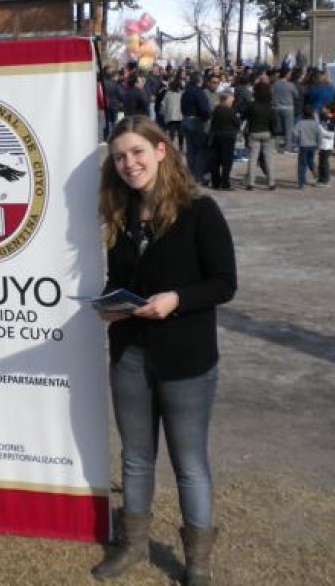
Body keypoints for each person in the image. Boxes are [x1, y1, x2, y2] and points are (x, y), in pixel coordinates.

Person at [92, 116, 236, 584]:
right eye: (119, 157)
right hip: (131, 353)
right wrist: (111, 304)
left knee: (189, 463)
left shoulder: (200, 210)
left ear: (161, 151)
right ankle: (132, 545)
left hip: (186, 358)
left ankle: (197, 564)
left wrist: (177, 299)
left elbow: (224, 283)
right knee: (135, 457)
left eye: (137, 152)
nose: (129, 164)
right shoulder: (121, 211)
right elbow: (121, 280)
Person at [242, 82, 276, 190]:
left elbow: (244, 116)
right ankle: (271, 182)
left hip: (254, 132)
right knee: (268, 158)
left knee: (252, 158)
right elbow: (273, 121)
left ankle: (251, 182)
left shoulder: (251, 105)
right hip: (267, 132)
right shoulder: (270, 106)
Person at [209, 88, 240, 190]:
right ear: (226, 99)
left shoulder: (216, 110)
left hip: (217, 136)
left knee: (216, 161)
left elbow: (212, 124)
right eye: (231, 99)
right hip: (228, 137)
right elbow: (237, 123)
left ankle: (216, 182)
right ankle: (225, 183)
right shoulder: (229, 111)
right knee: (227, 162)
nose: (232, 101)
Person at [292, 105, 323, 189]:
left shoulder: (300, 123)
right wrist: (319, 145)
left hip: (303, 145)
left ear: (303, 114)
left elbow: (294, 133)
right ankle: (314, 171)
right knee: (310, 160)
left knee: (302, 164)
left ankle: (301, 183)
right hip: (313, 145)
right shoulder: (315, 124)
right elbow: (319, 135)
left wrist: (297, 139)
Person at [317, 106, 335, 187]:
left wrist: (321, 130)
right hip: (322, 145)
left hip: (327, 146)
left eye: (324, 108)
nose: (322, 110)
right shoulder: (323, 119)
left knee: (324, 163)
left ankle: (326, 180)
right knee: (321, 163)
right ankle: (321, 179)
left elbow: (332, 135)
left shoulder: (331, 121)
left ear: (329, 110)